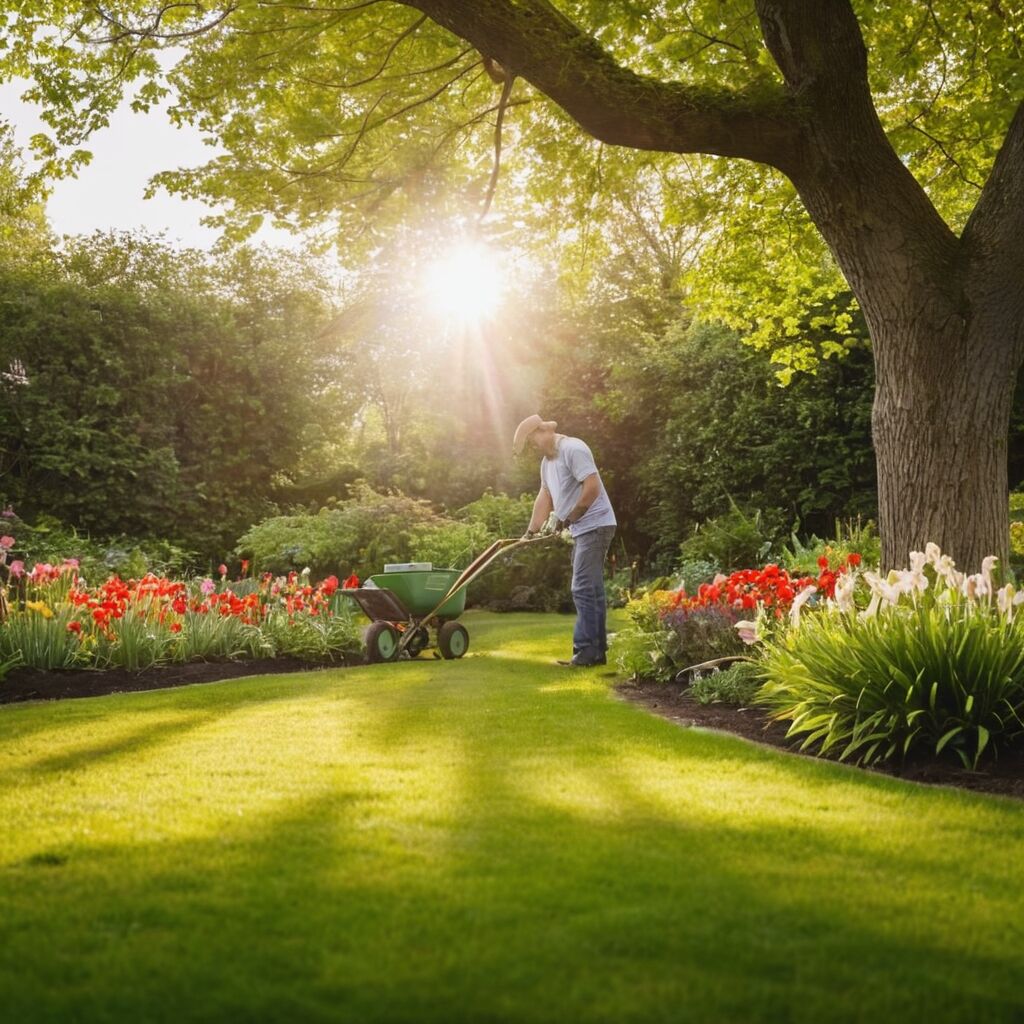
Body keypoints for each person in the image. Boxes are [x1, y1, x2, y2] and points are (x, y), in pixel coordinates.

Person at [513, 414, 617, 667]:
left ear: (542, 432)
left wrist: (568, 518)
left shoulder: (574, 448)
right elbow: (545, 496)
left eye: (532, 442)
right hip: (583, 529)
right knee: (591, 589)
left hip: (596, 524)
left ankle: (585, 651)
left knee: (581, 587)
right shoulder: (547, 464)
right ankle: (596, 651)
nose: (534, 448)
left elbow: (591, 487)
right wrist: (531, 531)